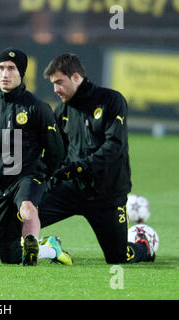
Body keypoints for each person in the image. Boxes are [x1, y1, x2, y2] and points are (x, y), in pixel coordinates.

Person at [40, 53, 155, 263]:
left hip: (107, 192)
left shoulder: (111, 100)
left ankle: (142, 246)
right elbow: (57, 152)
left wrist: (81, 167)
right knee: (19, 223)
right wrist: (48, 179)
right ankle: (47, 247)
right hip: (72, 189)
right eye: (53, 84)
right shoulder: (63, 110)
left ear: (75, 77)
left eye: (59, 82)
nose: (55, 89)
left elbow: (115, 146)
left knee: (118, 258)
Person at [0, 48, 65, 266]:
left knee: (27, 208)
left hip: (26, 176)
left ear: (21, 73)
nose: (5, 74)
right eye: (1, 68)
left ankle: (32, 240)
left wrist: (41, 173)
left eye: (11, 69)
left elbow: (56, 150)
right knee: (10, 258)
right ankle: (50, 249)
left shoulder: (37, 107)